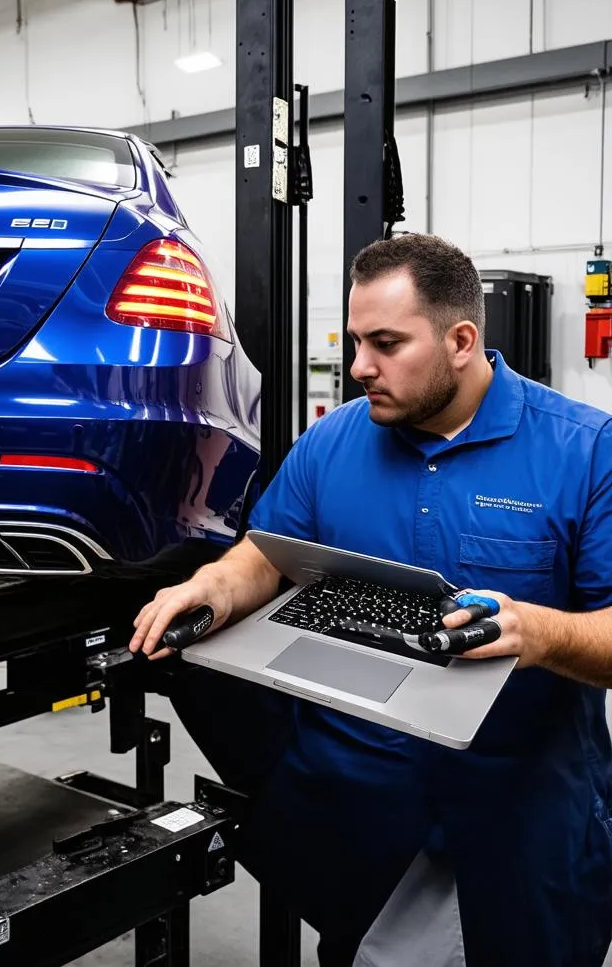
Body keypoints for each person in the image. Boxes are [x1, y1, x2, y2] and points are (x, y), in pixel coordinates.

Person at [130, 233, 612, 967]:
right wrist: (209, 587)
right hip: (358, 812)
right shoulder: (332, 443)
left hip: (521, 812)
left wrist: (536, 632)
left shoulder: (584, 451)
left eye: (386, 343)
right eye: (356, 341)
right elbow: (265, 553)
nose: (360, 368)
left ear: (461, 340)